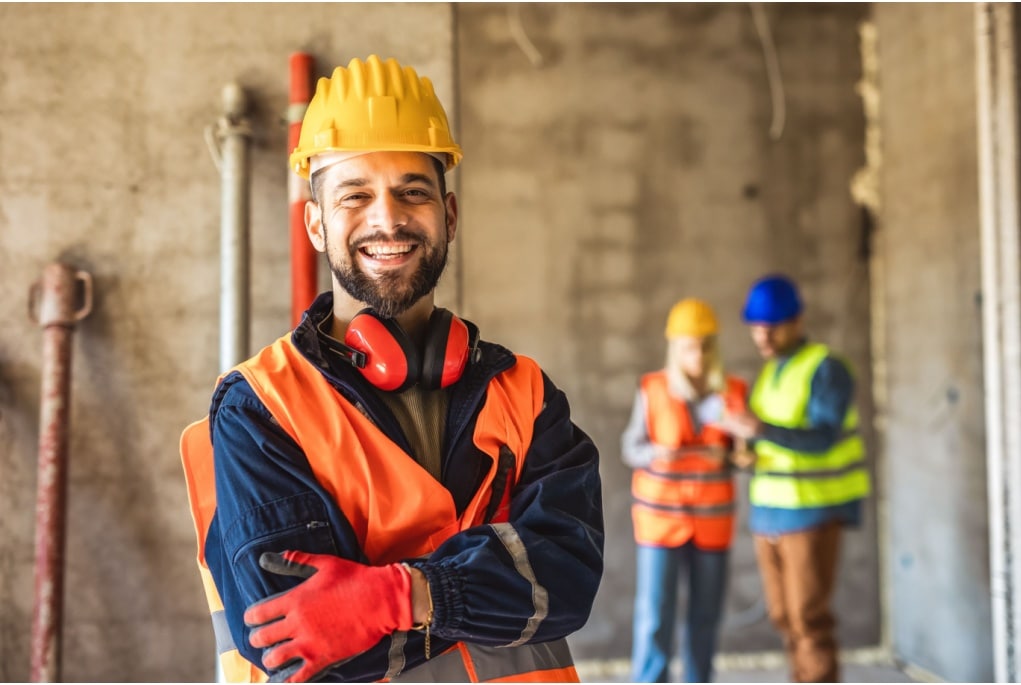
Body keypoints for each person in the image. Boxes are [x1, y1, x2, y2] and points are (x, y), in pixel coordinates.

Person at [179, 55, 604, 684]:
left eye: (412, 191)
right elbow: (290, 633)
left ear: (449, 215)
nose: (388, 218)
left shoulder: (526, 394)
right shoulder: (260, 405)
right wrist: (483, 588)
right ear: (316, 224)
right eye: (356, 196)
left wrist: (395, 596)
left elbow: (566, 580)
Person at [717, 274, 871, 683]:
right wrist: (746, 454)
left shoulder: (825, 368)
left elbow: (823, 437)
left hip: (811, 511)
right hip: (770, 514)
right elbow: (772, 439)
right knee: (784, 617)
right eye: (756, 327)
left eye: (772, 326)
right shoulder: (771, 373)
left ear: (797, 321)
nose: (762, 335)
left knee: (808, 618)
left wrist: (761, 429)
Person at [621, 298, 749, 683]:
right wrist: (657, 453)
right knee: (655, 614)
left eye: (706, 344)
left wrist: (731, 452)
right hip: (661, 523)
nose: (699, 353)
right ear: (675, 348)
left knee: (705, 615)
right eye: (690, 345)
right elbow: (630, 447)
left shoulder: (733, 392)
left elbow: (746, 455)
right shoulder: (653, 388)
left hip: (712, 523)